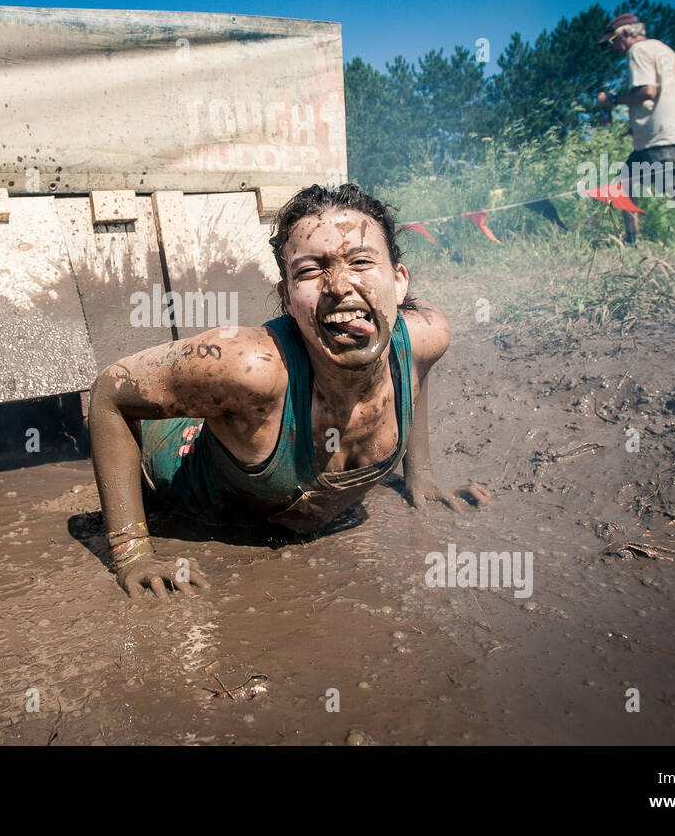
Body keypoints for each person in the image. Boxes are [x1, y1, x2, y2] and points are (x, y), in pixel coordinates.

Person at [87, 183, 489, 599]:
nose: (338, 286)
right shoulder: (249, 368)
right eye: (310, 270)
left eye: (361, 261)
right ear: (286, 296)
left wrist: (419, 477)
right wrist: (131, 552)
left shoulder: (427, 335)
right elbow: (109, 394)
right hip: (177, 460)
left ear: (399, 280)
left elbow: (413, 371)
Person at [595, 12, 675, 245]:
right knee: (622, 184)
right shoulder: (664, 50)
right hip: (657, 132)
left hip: (656, 136)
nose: (612, 48)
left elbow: (648, 91)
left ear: (626, 34)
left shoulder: (636, 52)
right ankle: (630, 240)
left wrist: (612, 100)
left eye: (612, 41)